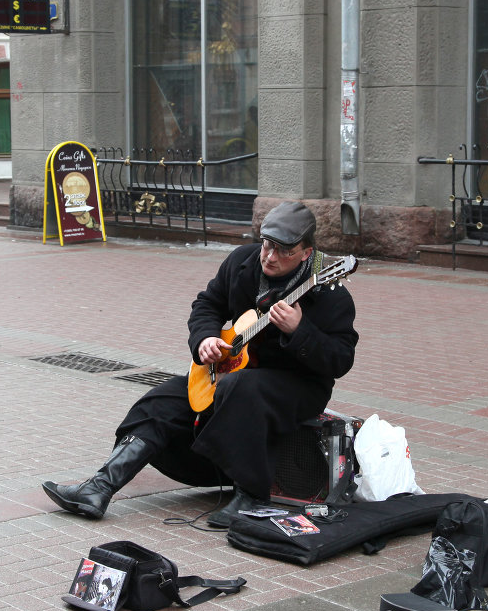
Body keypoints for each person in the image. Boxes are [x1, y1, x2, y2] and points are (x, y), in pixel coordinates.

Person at [43, 202, 359, 527]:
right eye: (267, 246)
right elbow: (207, 303)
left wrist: (299, 330)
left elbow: (340, 359)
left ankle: (251, 497)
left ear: (307, 253)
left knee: (240, 388)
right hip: (233, 373)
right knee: (163, 399)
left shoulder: (328, 295)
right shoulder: (242, 262)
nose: (270, 257)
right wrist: (205, 338)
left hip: (295, 384)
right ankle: (99, 487)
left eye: (284, 251)